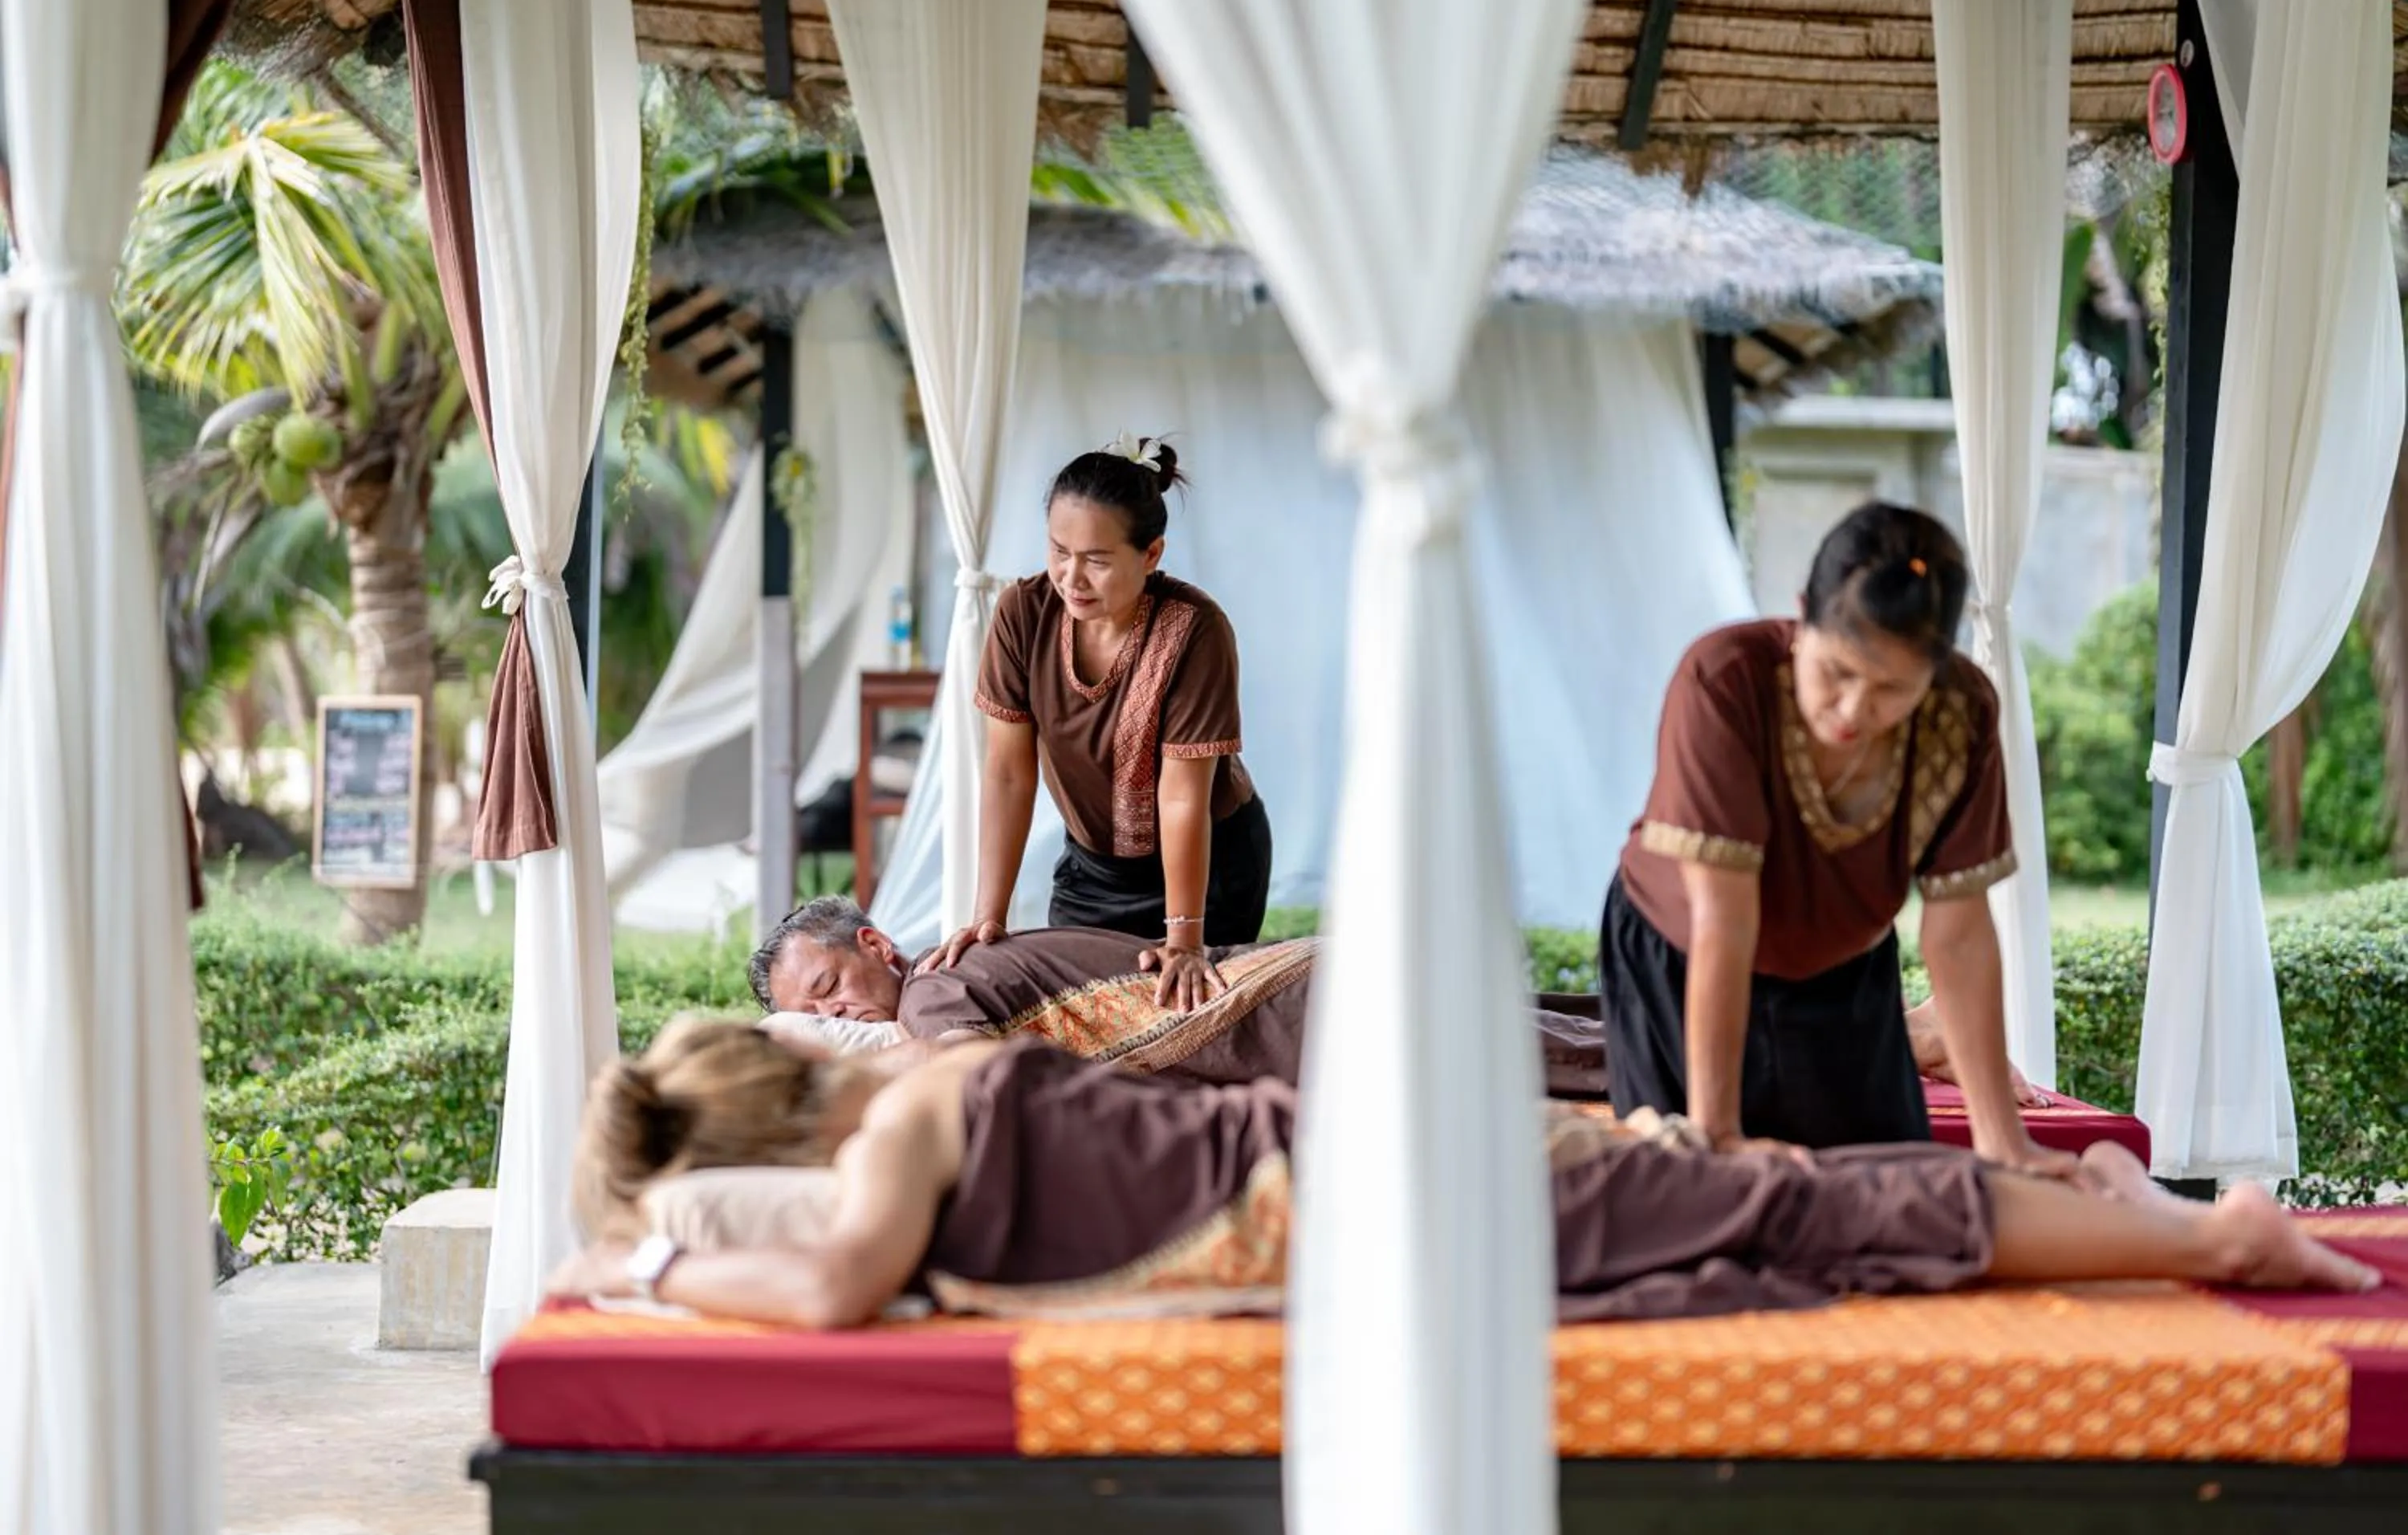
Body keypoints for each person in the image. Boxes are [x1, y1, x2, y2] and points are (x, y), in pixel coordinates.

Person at [551, 1020, 2375, 1329]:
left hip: (1399, 1186)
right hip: (1390, 1174)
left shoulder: (898, 1134)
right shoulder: (912, 1090)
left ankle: (2205, 1230)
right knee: (1775, 1199)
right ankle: (2142, 1217)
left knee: (1792, 1208)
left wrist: (643, 1263)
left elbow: (827, 1284)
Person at [1601, 502, 2058, 1168]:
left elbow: (1958, 935)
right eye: (1838, 672)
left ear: (1934, 672)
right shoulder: (1724, 680)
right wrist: (1719, 1139)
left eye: (1891, 689)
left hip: (1844, 970)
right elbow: (1722, 926)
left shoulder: (1961, 713)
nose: (1853, 710)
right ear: (1799, 618)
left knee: (1888, 1196)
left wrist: (2003, 1143)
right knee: (1698, 1196)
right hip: (1683, 957)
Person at [929, 434, 1272, 1010]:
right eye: (1059, 550)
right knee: (1078, 1018)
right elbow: (1010, 775)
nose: (1072, 578)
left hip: (1207, 868)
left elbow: (1184, 798)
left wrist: (1186, 939)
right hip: (1093, 874)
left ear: (1151, 555)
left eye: (1097, 560)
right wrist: (988, 916)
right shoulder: (1023, 614)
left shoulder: (1198, 630)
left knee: (1185, 1023)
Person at [747, 894, 1609, 1097]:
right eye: (813, 1018)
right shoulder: (970, 963)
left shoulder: (932, 995)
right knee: (1578, 1033)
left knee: (1570, 1058)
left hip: (1297, 1012)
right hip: (1306, 986)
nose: (837, 1019)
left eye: (827, 989)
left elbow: (969, 1075)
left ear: (874, 944)